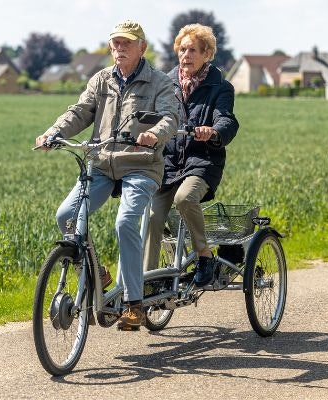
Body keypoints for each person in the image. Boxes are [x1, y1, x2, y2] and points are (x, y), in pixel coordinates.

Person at [35, 20, 178, 331]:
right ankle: (98, 273)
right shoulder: (101, 80)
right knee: (66, 216)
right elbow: (79, 112)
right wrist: (53, 132)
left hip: (141, 164)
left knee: (125, 222)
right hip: (101, 165)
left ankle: (133, 303)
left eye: (126, 43)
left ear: (142, 47)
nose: (119, 48)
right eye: (115, 43)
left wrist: (155, 133)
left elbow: (169, 116)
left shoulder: (159, 83)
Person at [143, 24, 239, 287]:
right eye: (182, 49)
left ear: (206, 54)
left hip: (203, 161)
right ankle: (149, 282)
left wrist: (214, 131)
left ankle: (204, 256)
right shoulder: (166, 83)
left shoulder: (221, 87)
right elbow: (153, 115)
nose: (186, 55)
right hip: (170, 162)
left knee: (185, 198)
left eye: (193, 50)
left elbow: (227, 120)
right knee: (152, 216)